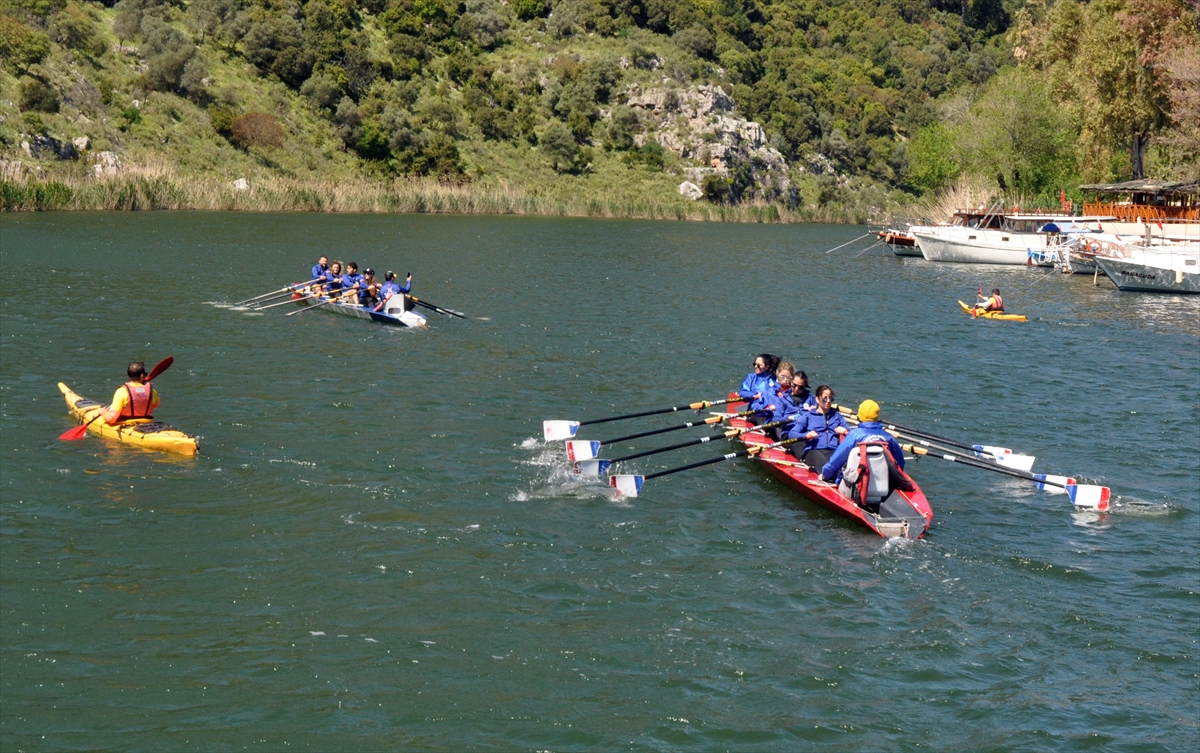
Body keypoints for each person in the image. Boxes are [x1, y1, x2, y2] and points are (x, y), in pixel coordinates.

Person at [820, 399, 905, 484]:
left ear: (860, 416)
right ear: (877, 416)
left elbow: (837, 460)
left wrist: (825, 474)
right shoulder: (889, 437)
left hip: (854, 486)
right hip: (883, 485)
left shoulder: (854, 435)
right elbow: (900, 464)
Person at [787, 385, 849, 470]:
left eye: (830, 398)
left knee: (842, 468)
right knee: (825, 468)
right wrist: (806, 435)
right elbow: (792, 434)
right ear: (817, 399)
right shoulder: (808, 416)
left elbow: (852, 435)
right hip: (813, 451)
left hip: (833, 450)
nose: (828, 401)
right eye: (825, 398)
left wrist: (845, 432)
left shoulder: (837, 416)